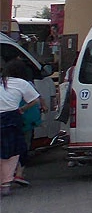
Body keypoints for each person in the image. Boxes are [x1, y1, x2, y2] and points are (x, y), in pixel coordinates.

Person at [1, 60, 45, 197]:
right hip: (12, 117)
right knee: (13, 151)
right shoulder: (22, 83)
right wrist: (22, 109)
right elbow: (36, 99)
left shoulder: (2, 82)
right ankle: (6, 183)